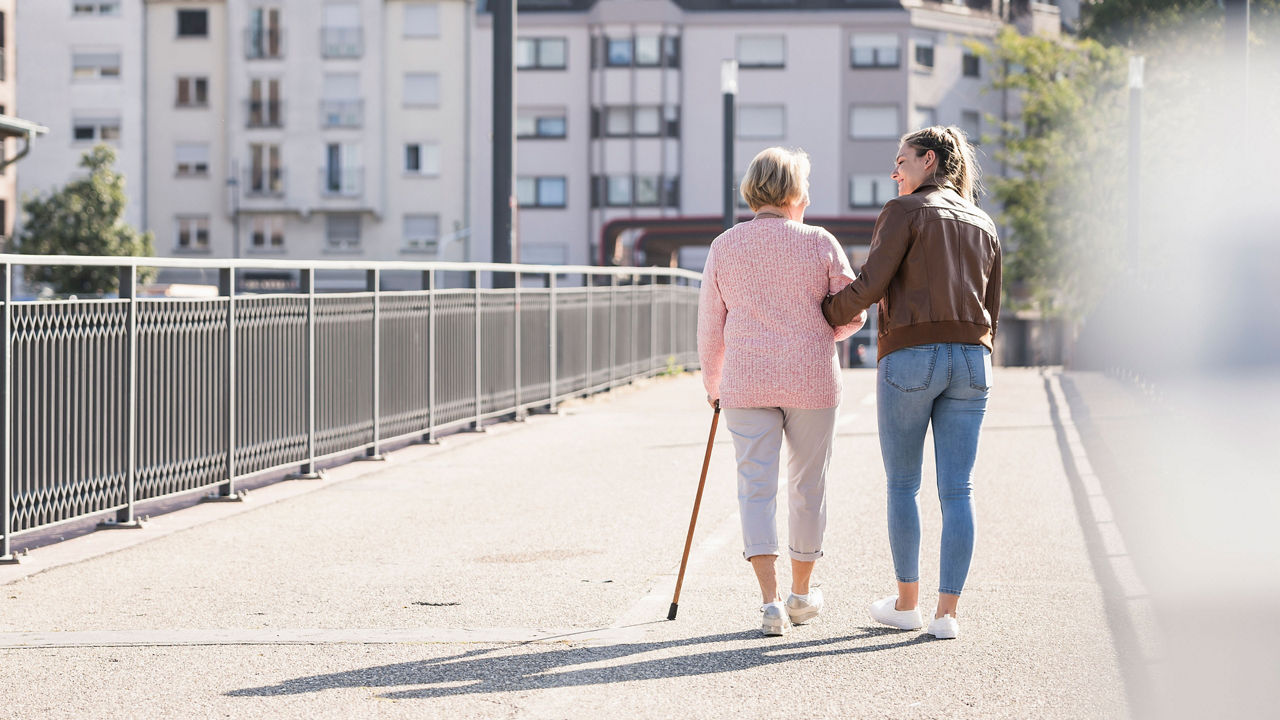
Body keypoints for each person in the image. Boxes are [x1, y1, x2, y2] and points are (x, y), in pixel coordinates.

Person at [822, 126, 1001, 640]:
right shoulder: (983, 221)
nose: (895, 172)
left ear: (927, 160)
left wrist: (827, 313)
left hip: (910, 356)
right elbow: (993, 307)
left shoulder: (903, 212)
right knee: (958, 489)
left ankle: (907, 605)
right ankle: (947, 616)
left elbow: (872, 283)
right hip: (973, 358)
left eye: (900, 161)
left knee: (904, 484)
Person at [698, 147, 866, 637]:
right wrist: (816, 336)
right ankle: (799, 593)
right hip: (811, 379)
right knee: (807, 485)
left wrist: (714, 385)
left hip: (746, 381)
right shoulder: (820, 242)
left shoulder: (725, 246)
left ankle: (769, 603)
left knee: (755, 488)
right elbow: (852, 310)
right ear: (794, 191)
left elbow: (711, 327)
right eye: (806, 186)